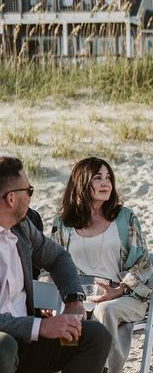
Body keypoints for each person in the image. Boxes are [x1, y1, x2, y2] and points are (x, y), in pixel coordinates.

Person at [0, 156, 111, 373]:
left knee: (95, 336)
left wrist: (73, 298)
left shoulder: (21, 227)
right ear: (11, 199)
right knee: (4, 346)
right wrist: (40, 326)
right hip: (6, 344)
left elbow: (58, 258)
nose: (31, 197)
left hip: (29, 343)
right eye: (29, 191)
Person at [50, 157, 152, 373]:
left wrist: (119, 289)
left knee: (104, 310)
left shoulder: (125, 218)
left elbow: (143, 262)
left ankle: (102, 369)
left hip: (124, 296)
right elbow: (51, 264)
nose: (106, 183)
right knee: (67, 314)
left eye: (108, 178)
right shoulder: (63, 223)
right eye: (98, 178)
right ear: (82, 182)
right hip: (78, 296)